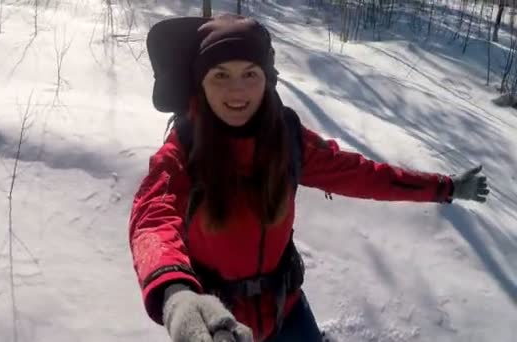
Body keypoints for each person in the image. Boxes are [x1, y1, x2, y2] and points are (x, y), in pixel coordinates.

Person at [128, 14, 489, 342]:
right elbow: (152, 221)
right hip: (220, 327)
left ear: (266, 81)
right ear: (200, 83)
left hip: (287, 311)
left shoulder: (287, 141)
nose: (236, 91)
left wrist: (446, 187)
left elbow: (366, 176)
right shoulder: (184, 152)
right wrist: (177, 295)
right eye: (220, 75)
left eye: (249, 74)